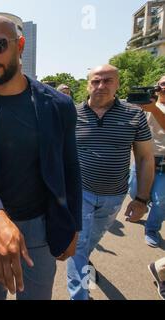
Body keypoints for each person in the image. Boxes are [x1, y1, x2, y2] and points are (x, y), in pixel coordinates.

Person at [0, 16, 82, 300]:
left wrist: (74, 225)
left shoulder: (59, 105)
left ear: (20, 46)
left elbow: (70, 167)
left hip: (41, 229)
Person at [67, 64, 155, 300]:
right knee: (78, 245)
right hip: (80, 193)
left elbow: (145, 157)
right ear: (88, 84)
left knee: (89, 242)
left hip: (114, 197)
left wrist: (141, 199)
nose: (101, 86)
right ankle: (80, 296)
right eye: (96, 81)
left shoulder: (134, 115)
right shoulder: (71, 114)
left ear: (117, 84)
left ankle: (84, 259)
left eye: (107, 81)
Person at [129, 76, 165, 248]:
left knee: (160, 201)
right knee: (134, 192)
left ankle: (151, 229)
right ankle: (146, 204)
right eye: (163, 83)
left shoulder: (152, 108)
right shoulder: (145, 105)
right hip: (143, 159)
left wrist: (154, 109)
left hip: (163, 162)